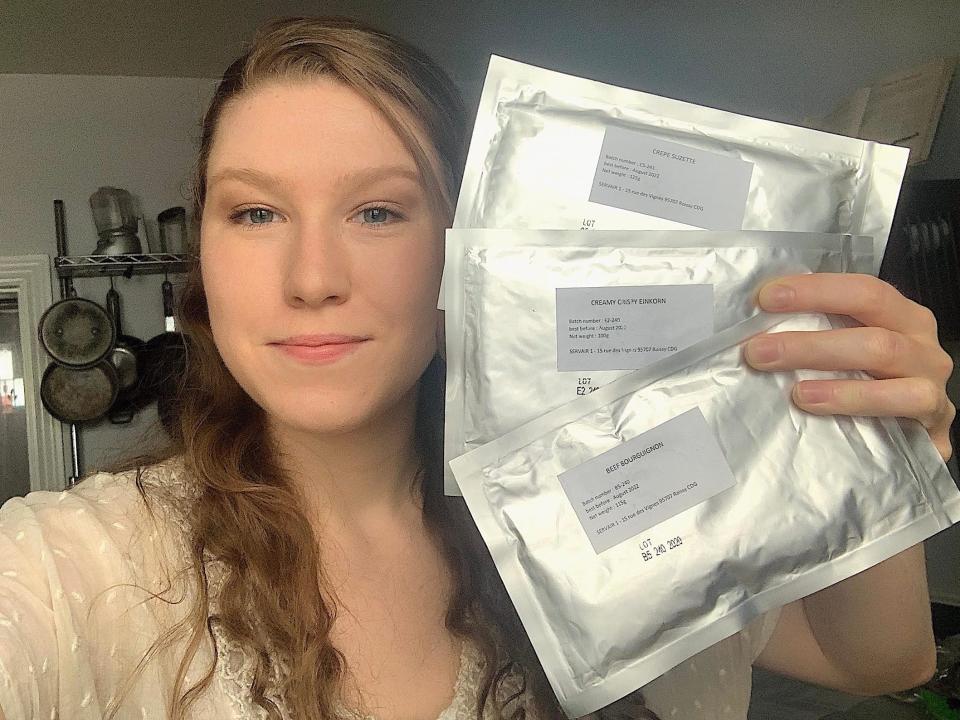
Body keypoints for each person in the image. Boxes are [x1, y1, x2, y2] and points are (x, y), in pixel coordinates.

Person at [0, 15, 955, 720]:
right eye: (255, 213)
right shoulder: (78, 569)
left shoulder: (597, 499)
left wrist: (870, 448)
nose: (312, 279)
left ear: (470, 250)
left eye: (379, 211)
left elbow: (880, 658)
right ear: (202, 253)